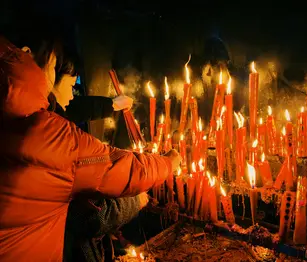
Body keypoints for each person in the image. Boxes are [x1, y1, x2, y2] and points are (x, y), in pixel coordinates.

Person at [0, 25, 181, 262]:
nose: (53, 77)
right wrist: (169, 163)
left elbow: (72, 108)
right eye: (54, 66)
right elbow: (120, 169)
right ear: (26, 53)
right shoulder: (46, 134)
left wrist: (111, 105)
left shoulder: (19, 116)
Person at [50, 50, 151, 261]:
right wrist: (136, 200)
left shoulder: (42, 119)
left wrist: (111, 105)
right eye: (70, 86)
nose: (72, 95)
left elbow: (72, 106)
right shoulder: (55, 141)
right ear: (49, 77)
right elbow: (89, 218)